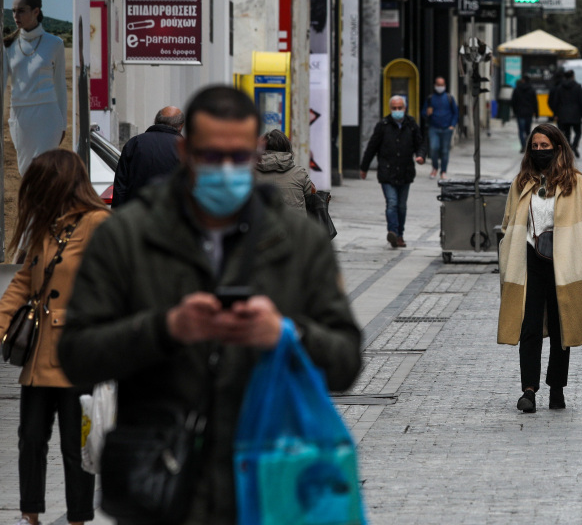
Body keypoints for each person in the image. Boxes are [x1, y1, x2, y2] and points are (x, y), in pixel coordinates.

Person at [58, 86, 360, 525]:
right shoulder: (127, 237)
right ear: (185, 150)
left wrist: (285, 336)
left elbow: (346, 361)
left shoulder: (298, 244)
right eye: (211, 155)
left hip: (267, 483)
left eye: (237, 157)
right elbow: (76, 355)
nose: (225, 169)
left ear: (255, 153)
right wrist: (166, 329)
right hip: (163, 484)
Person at [0, 150, 109, 525]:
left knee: (76, 444)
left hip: (78, 353)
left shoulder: (98, 223)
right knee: (31, 439)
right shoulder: (45, 226)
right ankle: (30, 515)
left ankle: (77, 518)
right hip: (38, 355)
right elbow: (23, 282)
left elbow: (119, 280)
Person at [497, 124, 582, 413]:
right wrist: (505, 253)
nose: (540, 151)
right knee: (528, 326)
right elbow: (508, 222)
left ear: (558, 147)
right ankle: (528, 390)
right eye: (536, 146)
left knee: (561, 327)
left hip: (564, 262)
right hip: (528, 260)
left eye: (546, 146)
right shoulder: (521, 182)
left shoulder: (576, 183)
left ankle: (557, 388)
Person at [4, 0, 67, 176]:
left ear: (36, 11)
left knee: (46, 170)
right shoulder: (7, 45)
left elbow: (60, 85)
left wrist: (63, 124)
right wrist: (8, 119)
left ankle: (47, 205)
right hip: (20, 116)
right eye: (14, 11)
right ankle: (31, 205)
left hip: (48, 116)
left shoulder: (55, 43)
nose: (16, 16)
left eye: (21, 11)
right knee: (26, 172)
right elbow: (0, 87)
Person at [361, 95, 427, 248]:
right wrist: (364, 167)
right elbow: (372, 147)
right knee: (392, 203)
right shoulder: (383, 126)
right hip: (387, 172)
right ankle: (393, 232)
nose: (397, 111)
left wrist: (421, 156)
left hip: (405, 172)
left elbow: (420, 144)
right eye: (394, 108)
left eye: (400, 108)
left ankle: (400, 235)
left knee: (402, 206)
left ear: (405, 108)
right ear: (390, 109)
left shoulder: (411, 125)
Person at [111, 106, 184, 208]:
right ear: (181, 126)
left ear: (155, 121)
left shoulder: (134, 143)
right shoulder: (185, 149)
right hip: (171, 217)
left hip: (135, 215)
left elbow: (120, 186)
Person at [254, 128, 314, 210]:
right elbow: (313, 199)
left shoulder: (249, 174)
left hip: (260, 222)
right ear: (287, 148)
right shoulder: (300, 174)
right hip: (294, 222)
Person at [424, 77, 458, 179]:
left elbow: (455, 113)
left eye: (442, 85)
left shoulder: (449, 98)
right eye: (438, 85)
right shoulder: (430, 98)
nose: (440, 87)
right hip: (433, 128)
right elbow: (423, 113)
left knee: (444, 150)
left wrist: (452, 125)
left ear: (445, 86)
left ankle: (443, 171)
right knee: (434, 148)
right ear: (435, 85)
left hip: (446, 129)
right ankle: (435, 167)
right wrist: (427, 113)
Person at [548, 70, 582, 157]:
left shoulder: (560, 88)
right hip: (576, 114)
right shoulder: (578, 87)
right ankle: (574, 145)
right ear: (573, 76)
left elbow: (555, 102)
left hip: (563, 114)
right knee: (578, 132)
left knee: (566, 133)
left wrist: (556, 113)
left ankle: (569, 147)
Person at [511, 76, 538, 152]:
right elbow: (535, 102)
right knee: (528, 131)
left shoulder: (517, 89)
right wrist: (536, 113)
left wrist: (515, 111)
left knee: (521, 131)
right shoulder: (532, 89)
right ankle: (528, 145)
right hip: (529, 112)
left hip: (520, 112)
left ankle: (523, 145)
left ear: (523, 80)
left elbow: (513, 101)